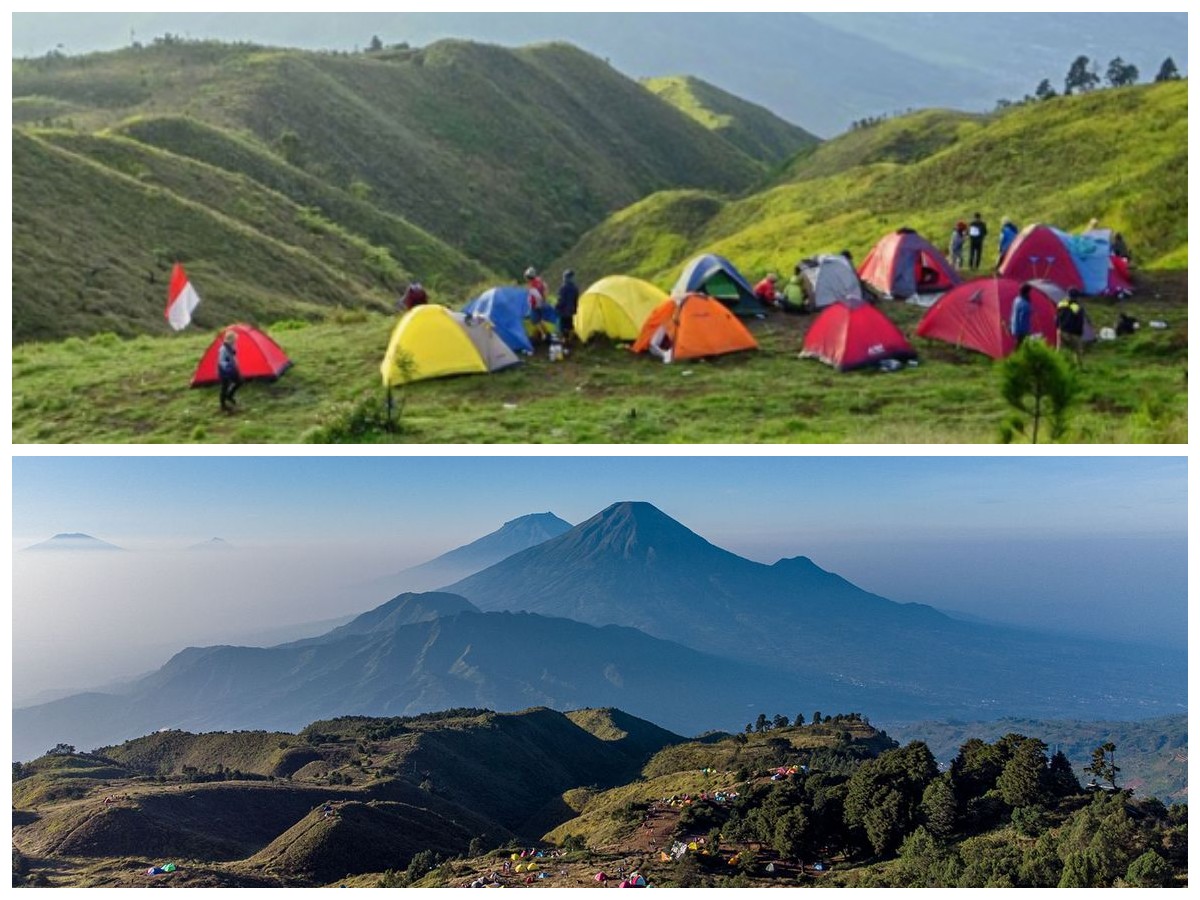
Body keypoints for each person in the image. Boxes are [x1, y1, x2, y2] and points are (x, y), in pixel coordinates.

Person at [1056, 288, 1087, 367]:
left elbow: (1056, 318)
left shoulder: (1061, 304)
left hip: (1062, 331)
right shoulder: (1077, 307)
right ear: (1076, 297)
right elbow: (1080, 321)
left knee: (1059, 351)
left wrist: (1058, 328)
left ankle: (1056, 366)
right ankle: (1079, 367)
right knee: (1077, 352)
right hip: (1074, 333)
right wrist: (1080, 333)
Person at [217, 330, 242, 412]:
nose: (235, 341)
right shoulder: (223, 349)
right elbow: (221, 361)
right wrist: (229, 367)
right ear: (230, 339)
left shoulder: (231, 346)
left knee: (239, 381)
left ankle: (230, 395)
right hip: (225, 370)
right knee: (224, 387)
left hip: (232, 368)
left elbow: (233, 355)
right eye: (234, 340)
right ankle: (223, 405)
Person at [525, 266, 550, 342]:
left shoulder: (531, 285)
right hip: (541, 304)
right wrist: (545, 300)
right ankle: (546, 333)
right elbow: (546, 287)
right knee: (540, 319)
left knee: (535, 320)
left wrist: (538, 303)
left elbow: (537, 296)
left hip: (536, 305)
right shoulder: (539, 280)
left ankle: (543, 334)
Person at [556, 269, 579, 342]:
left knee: (563, 327)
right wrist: (575, 309)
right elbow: (576, 300)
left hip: (563, 311)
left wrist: (557, 307)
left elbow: (561, 300)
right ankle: (571, 339)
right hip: (571, 310)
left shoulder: (563, 288)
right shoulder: (575, 288)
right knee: (570, 325)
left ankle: (565, 340)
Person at [1010, 283, 1034, 348]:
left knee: (1018, 344)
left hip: (1014, 327)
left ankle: (1015, 356)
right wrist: (1026, 332)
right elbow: (1023, 320)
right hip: (1021, 330)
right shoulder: (1025, 305)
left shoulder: (1016, 299)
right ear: (1026, 292)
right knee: (1020, 346)